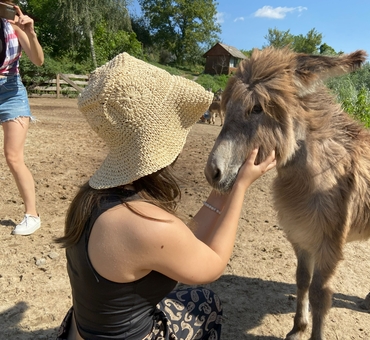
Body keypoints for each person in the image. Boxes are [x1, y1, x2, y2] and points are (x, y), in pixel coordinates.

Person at [55, 52, 276, 340]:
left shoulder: (92, 197)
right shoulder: (146, 225)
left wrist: (220, 193)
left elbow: (180, 239)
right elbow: (213, 265)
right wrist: (241, 188)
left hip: (81, 331)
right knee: (206, 302)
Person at [0, 1, 44, 235]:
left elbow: (38, 60)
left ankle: (32, 215)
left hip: (11, 92)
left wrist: (31, 33)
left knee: (13, 156)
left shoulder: (14, 24)